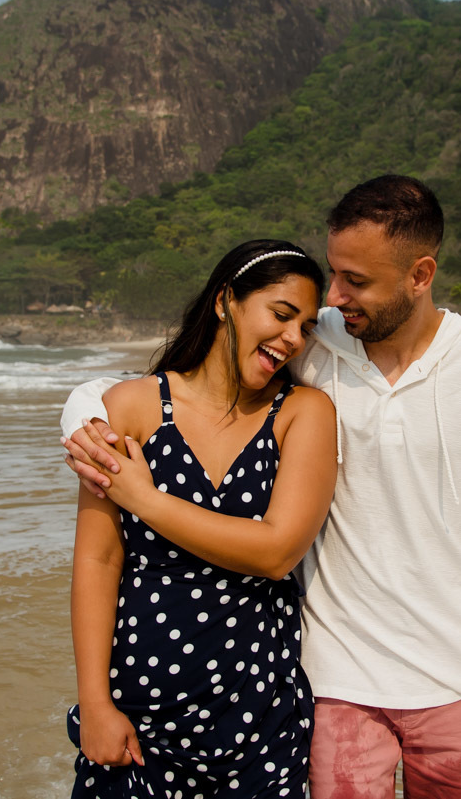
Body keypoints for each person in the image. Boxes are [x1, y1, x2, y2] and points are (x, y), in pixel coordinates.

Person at [62, 176, 461, 798]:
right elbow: (159, 387)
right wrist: (83, 419)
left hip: (459, 679)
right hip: (335, 681)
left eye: (355, 282)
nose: (336, 298)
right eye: (334, 274)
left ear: (420, 275)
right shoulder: (318, 345)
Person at [64, 239, 338, 797]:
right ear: (224, 302)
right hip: (138, 718)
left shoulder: (302, 414)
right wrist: (94, 703)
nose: (292, 338)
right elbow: (99, 558)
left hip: (260, 722)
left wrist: (145, 499)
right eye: (281, 314)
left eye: (306, 328)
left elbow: (277, 551)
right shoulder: (132, 407)